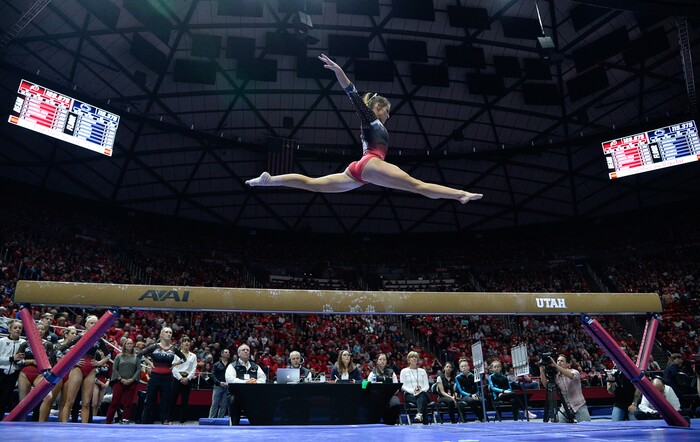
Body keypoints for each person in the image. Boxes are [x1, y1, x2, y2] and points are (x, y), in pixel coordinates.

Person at [246, 54, 483, 205]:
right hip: (370, 164)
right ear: (377, 107)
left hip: (358, 172)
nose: (388, 116)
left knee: (312, 184)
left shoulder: (372, 123)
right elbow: (352, 92)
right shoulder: (369, 118)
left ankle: (269, 181)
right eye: (387, 111)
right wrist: (339, 71)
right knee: (416, 186)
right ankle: (459, 194)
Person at [58, 315, 109, 423]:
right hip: (78, 368)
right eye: (92, 323)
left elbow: (108, 355)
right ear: (86, 325)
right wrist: (72, 361)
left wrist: (100, 362)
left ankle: (85, 428)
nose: (94, 325)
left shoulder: (98, 339)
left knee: (86, 402)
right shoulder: (80, 337)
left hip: (90, 369)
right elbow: (60, 350)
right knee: (70, 401)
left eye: (96, 323)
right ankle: (63, 426)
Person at [138, 326, 186, 424]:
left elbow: (183, 359)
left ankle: (165, 421)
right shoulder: (154, 346)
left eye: (170, 332)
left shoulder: (173, 348)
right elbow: (140, 355)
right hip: (155, 377)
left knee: (166, 402)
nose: (169, 334)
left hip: (167, 378)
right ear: (161, 334)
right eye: (167, 332)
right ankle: (144, 422)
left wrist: (174, 365)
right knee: (149, 401)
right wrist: (150, 363)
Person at [539, 354, 591, 422]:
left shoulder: (574, 372)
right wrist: (542, 371)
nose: (559, 362)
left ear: (568, 364)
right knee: (559, 428)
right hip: (565, 407)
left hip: (579, 405)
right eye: (558, 361)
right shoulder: (556, 376)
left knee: (587, 426)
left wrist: (555, 365)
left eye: (562, 361)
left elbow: (570, 376)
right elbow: (546, 386)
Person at [225, 344, 266, 425]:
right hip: (236, 394)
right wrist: (246, 382)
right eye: (243, 350)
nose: (246, 351)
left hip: (253, 394)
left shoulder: (256, 366)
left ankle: (258, 424)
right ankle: (234, 424)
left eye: (248, 350)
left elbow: (263, 378)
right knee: (233, 400)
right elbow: (230, 380)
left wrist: (256, 382)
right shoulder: (232, 366)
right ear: (238, 353)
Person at [105, 338, 140, 424]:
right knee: (114, 402)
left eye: (131, 343)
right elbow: (114, 368)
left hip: (131, 382)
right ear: (124, 345)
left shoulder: (136, 357)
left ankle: (125, 419)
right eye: (128, 343)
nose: (129, 345)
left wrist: (132, 379)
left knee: (128, 403)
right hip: (119, 381)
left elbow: (138, 370)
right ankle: (108, 420)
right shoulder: (119, 356)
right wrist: (121, 379)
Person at [0, 319, 26, 419]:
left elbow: (23, 360)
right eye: (15, 328)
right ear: (9, 329)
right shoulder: (2, 341)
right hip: (1, 371)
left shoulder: (23, 342)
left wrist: (20, 361)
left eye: (20, 328)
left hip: (14, 373)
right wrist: (11, 359)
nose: (17, 330)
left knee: (5, 399)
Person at [367, 353, 401, 425]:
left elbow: (396, 387)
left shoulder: (391, 372)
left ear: (386, 361)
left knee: (396, 403)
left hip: (390, 395)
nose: (382, 361)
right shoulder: (373, 373)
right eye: (380, 359)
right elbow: (369, 385)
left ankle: (391, 422)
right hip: (377, 396)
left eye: (384, 359)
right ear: (377, 361)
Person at [171, 336, 197, 424]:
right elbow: (173, 367)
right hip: (177, 378)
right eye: (184, 341)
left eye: (188, 341)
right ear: (181, 344)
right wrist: (180, 378)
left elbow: (194, 368)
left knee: (185, 401)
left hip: (187, 379)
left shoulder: (193, 356)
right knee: (173, 399)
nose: (187, 343)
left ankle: (182, 421)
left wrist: (188, 378)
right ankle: (170, 419)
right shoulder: (176, 354)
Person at [400, 351, 430, 424]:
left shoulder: (422, 371)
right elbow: (402, 386)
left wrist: (420, 391)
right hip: (409, 395)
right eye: (412, 357)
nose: (414, 358)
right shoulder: (404, 371)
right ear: (408, 360)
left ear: (418, 360)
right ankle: (424, 422)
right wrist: (413, 391)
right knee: (423, 401)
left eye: (416, 357)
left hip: (423, 393)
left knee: (422, 395)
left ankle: (419, 414)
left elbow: (427, 386)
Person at [208, 348, 230, 418]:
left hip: (227, 386)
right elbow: (212, 375)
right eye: (226, 352)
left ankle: (220, 420)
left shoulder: (230, 365)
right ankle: (211, 419)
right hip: (218, 386)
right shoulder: (216, 364)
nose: (228, 353)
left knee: (224, 405)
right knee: (215, 404)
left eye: (228, 352)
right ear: (222, 354)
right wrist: (218, 382)